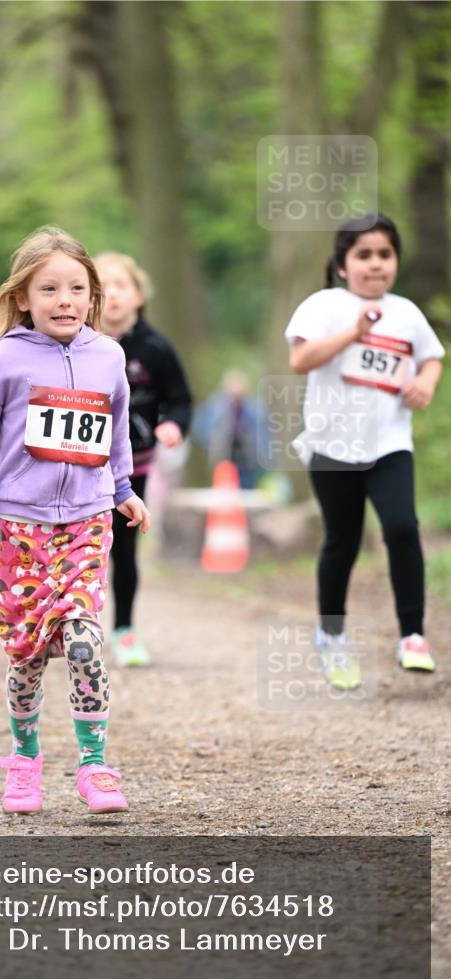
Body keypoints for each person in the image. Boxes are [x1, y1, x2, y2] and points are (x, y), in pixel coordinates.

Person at [0, 227, 150, 815]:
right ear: (23, 298)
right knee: (28, 655)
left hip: (86, 524)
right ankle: (24, 759)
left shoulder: (108, 356)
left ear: (94, 298)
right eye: (50, 289)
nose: (64, 300)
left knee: (85, 641)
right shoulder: (4, 359)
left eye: (76, 288)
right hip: (19, 530)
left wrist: (122, 489)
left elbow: (113, 433)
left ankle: (94, 765)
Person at [285, 214, 444, 689]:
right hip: (332, 445)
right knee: (343, 540)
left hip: (389, 443)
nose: (376, 265)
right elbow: (300, 360)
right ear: (341, 264)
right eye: (364, 255)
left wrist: (425, 382)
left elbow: (431, 356)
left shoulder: (406, 313)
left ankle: (413, 635)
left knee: (402, 527)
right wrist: (352, 333)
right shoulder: (323, 306)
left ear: (396, 261)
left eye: (385, 254)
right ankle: (331, 633)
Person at [94, 253, 192, 668]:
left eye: (122, 285)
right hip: (79, 465)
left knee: (124, 548)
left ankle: (125, 631)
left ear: (138, 296)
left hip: (133, 466)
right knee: (75, 547)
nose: (113, 294)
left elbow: (181, 399)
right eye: (104, 285)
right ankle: (65, 628)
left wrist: (172, 425)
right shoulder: (77, 343)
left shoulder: (155, 348)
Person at [192, 369, 266, 489]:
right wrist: (210, 440)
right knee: (224, 489)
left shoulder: (253, 406)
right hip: (223, 456)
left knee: (246, 489)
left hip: (246, 458)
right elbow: (200, 427)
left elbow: (263, 433)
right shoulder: (215, 405)